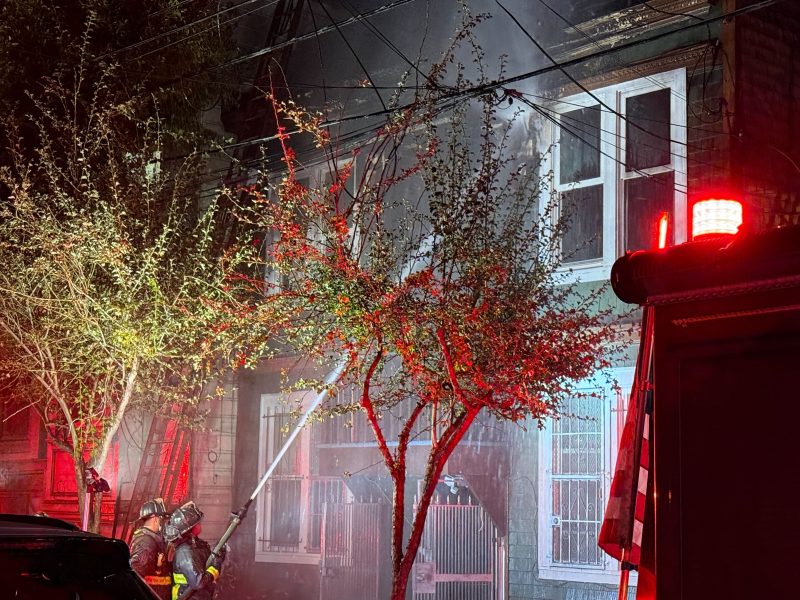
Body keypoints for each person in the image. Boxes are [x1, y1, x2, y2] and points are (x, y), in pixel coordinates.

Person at [165, 501, 227, 600]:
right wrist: (215, 566)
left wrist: (217, 557)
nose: (199, 524)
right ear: (189, 528)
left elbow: (203, 565)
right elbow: (198, 582)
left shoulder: (195, 546)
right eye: (197, 523)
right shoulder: (185, 552)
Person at [129, 498, 172, 600]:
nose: (162, 522)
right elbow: (136, 575)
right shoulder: (146, 542)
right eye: (161, 519)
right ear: (155, 518)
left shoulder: (150, 539)